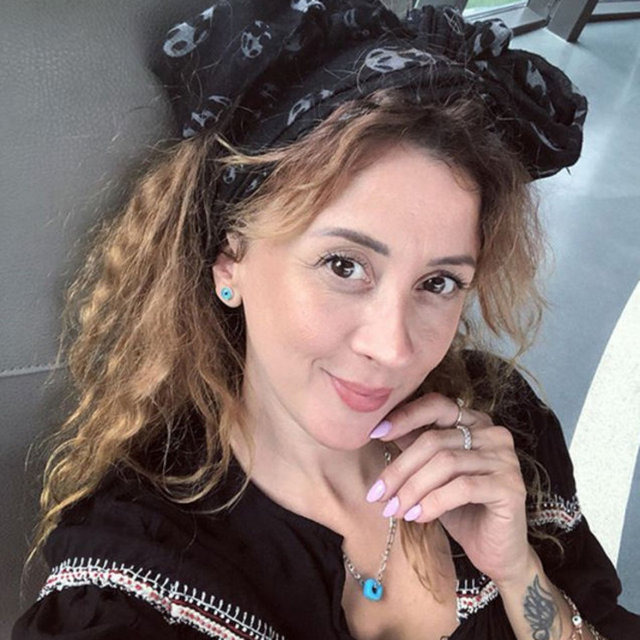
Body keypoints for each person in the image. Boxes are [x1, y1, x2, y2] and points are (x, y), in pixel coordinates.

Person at [12, 2, 639, 639]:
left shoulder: (502, 431)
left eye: (438, 283)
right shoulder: (138, 574)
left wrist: (517, 571)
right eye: (344, 266)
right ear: (230, 258)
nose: (393, 348)